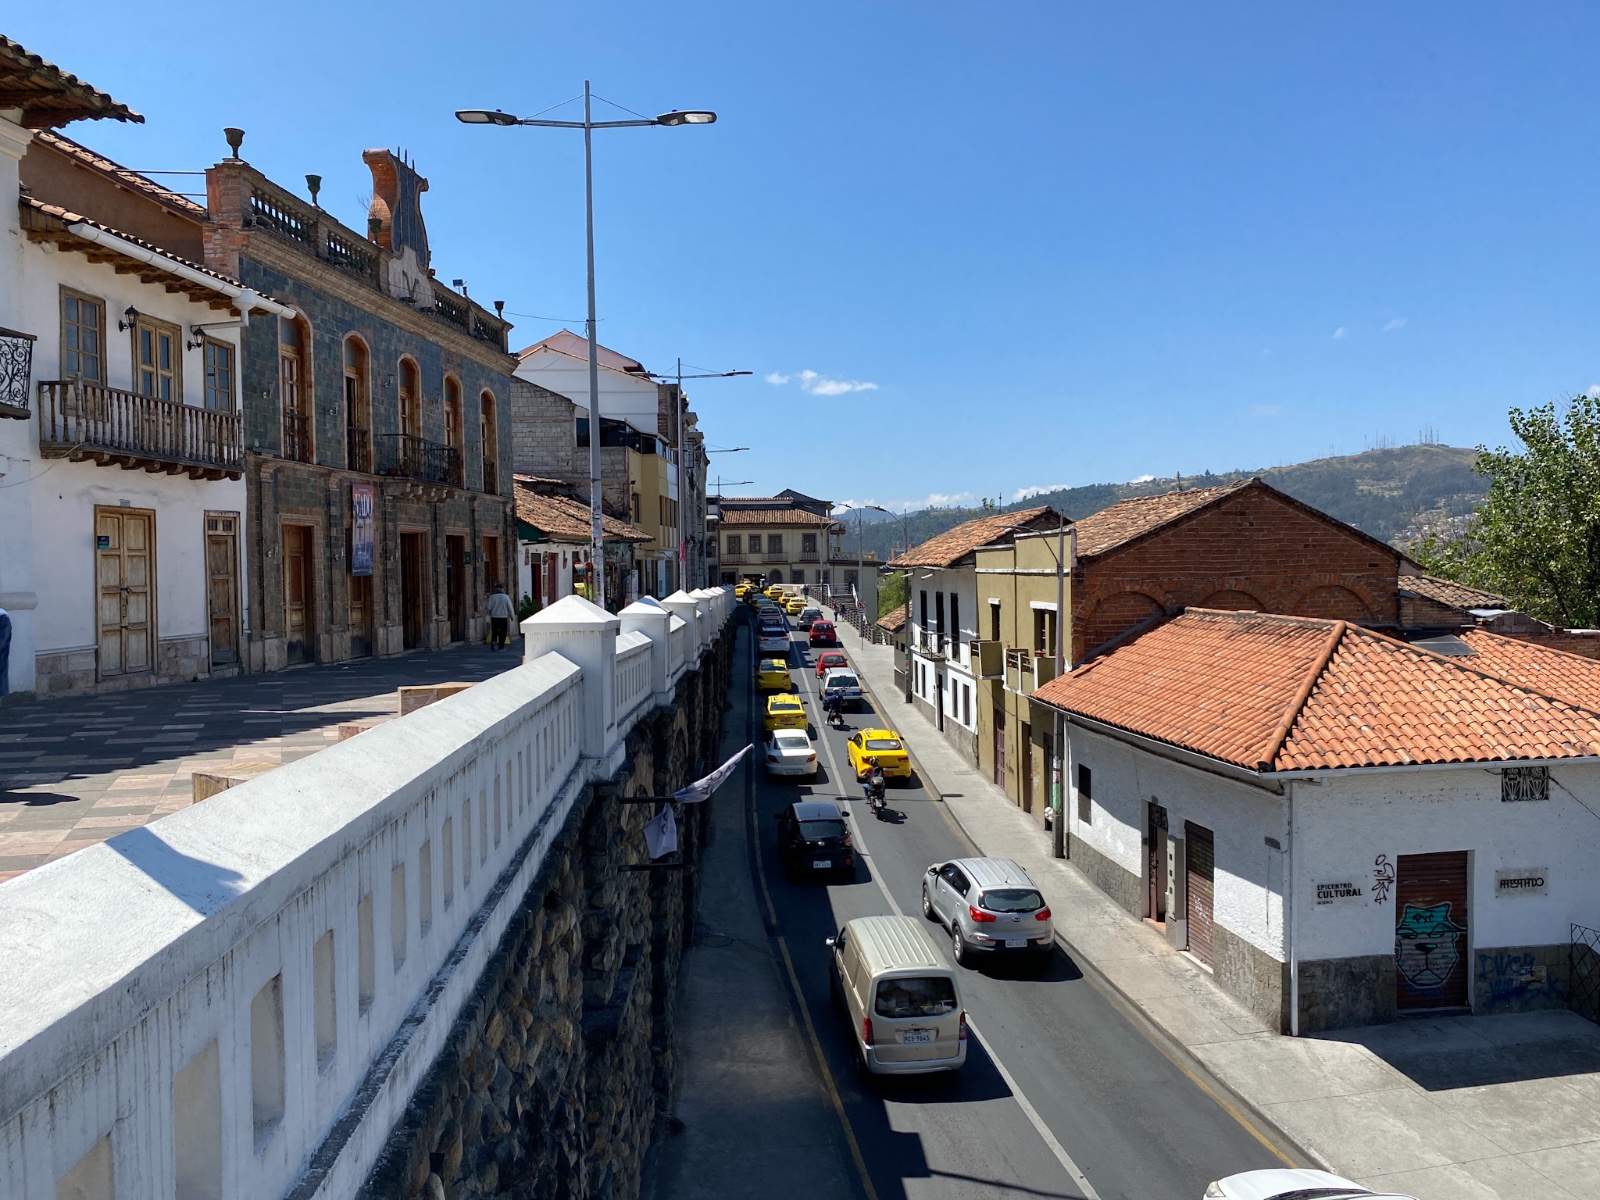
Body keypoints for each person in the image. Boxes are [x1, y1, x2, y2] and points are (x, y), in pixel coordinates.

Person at [486, 583, 515, 651]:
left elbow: (488, 607)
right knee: (503, 632)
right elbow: (510, 608)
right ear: (502, 589)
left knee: (494, 631)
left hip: (494, 617)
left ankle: (493, 642)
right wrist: (512, 616)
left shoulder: (492, 597)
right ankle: (501, 646)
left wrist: (490, 613)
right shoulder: (506, 597)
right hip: (503, 617)